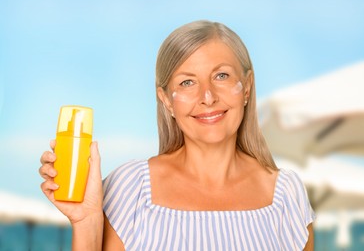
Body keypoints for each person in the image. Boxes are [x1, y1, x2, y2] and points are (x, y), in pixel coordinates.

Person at [40, 20, 315, 250]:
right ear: (167, 101)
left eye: (221, 76)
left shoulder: (287, 196)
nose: (207, 97)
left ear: (246, 88)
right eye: (187, 82)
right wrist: (86, 221)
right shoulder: (129, 190)